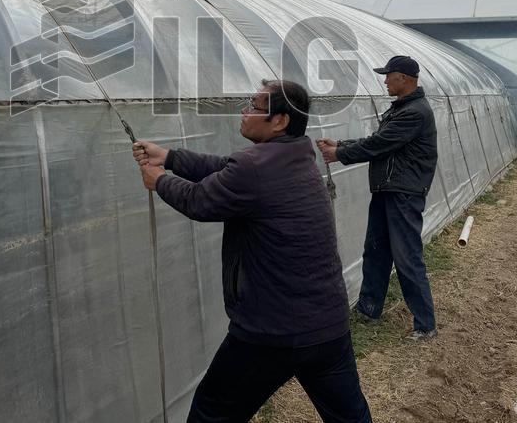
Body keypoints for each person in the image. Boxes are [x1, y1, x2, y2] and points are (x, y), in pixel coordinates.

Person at [133, 79, 372, 423]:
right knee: (350, 417)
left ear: (279, 121)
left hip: (272, 331)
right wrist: (170, 158)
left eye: (255, 106)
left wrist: (159, 179)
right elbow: (227, 168)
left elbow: (201, 201)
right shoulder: (298, 154)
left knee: (211, 412)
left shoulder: (255, 167)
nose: (245, 112)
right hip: (327, 323)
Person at [317, 55, 438, 341]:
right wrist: (343, 144)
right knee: (376, 251)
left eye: (388, 76)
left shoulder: (414, 112)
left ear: (404, 79)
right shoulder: (403, 109)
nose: (384, 81)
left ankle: (425, 324)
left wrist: (339, 154)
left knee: (407, 257)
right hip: (389, 189)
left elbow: (380, 144)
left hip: (403, 193)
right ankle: (369, 308)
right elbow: (378, 140)